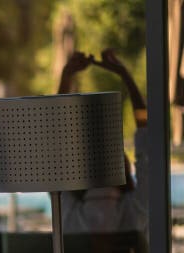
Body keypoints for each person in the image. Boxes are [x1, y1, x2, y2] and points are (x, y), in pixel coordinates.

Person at [57, 49, 149, 236]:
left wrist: (66, 78)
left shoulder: (70, 217)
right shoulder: (137, 210)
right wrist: (125, 75)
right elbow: (147, 138)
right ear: (123, 165)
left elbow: (54, 145)